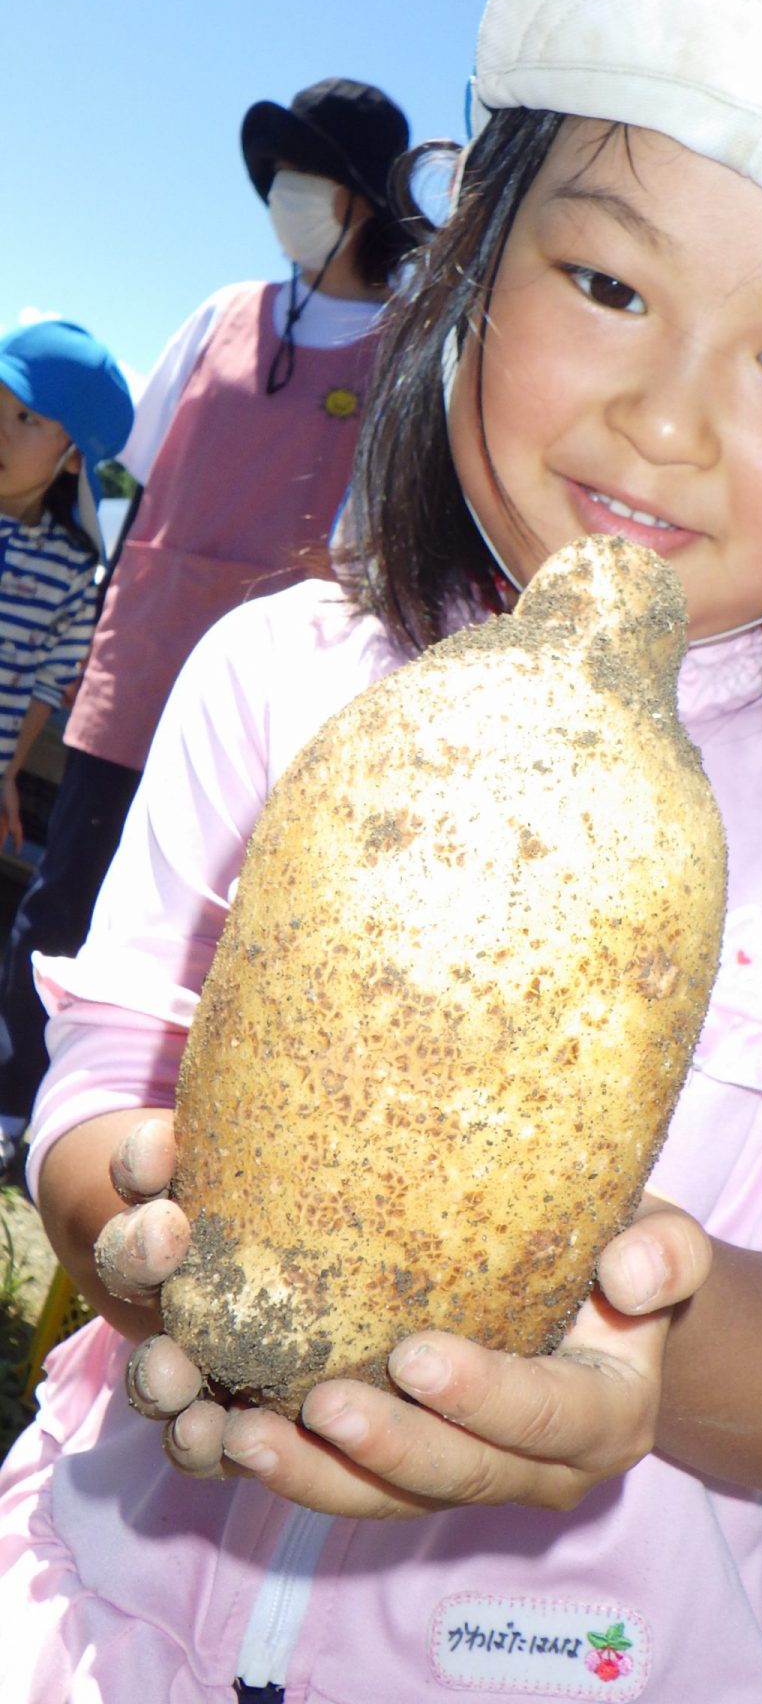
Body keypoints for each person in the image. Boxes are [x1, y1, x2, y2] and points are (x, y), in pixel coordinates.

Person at [1, 0, 762, 1703]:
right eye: (609, 284)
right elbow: (104, 1076)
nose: (666, 418)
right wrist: (136, 1221)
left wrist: (658, 1345)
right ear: (475, 271)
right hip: (103, 1620)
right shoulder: (278, 674)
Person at [0, 78, 413, 1151]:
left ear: (359, 201)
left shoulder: (405, 356)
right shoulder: (223, 315)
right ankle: (18, 1108)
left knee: (209, 942)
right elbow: (132, 466)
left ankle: (155, 1136)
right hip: (141, 664)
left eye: (306, 177)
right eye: (279, 176)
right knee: (64, 899)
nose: (282, 196)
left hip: (275, 709)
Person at [0, 319, 133, 1175]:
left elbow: (48, 684)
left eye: (25, 420)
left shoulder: (71, 573)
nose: (1, 430)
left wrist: (9, 774)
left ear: (73, 456)